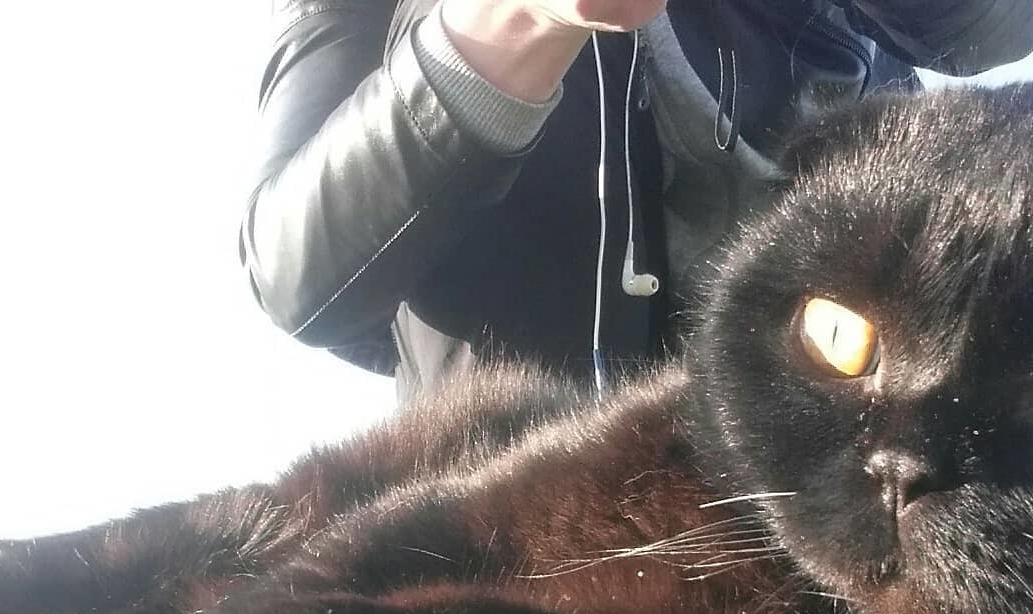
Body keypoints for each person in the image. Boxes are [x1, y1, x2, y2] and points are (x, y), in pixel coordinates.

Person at [239, 1, 1033, 399]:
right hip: (547, 562)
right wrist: (514, 21)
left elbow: (990, 26)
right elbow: (300, 277)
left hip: (877, 487)